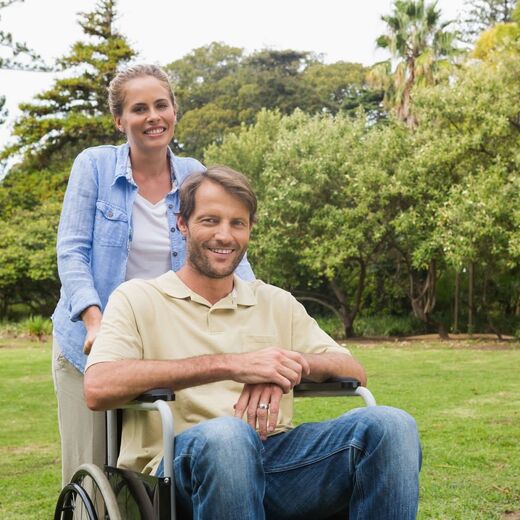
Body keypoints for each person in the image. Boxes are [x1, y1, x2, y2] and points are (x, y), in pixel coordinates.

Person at [84, 165, 422, 519]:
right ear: (181, 223)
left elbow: (353, 371)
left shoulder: (276, 302)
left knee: (393, 426)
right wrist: (233, 364)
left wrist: (284, 363)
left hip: (276, 459)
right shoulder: (137, 298)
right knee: (229, 438)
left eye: (237, 223)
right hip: (176, 468)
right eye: (210, 221)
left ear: (249, 230)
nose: (225, 236)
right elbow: (98, 387)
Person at [51, 65, 254, 485]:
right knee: (92, 476)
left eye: (161, 105)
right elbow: (72, 251)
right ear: (119, 120)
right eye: (138, 109)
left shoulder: (194, 174)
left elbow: (227, 253)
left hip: (165, 346)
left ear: (175, 111)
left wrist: (261, 315)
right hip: (89, 346)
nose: (152, 117)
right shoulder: (95, 167)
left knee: (159, 472)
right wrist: (94, 321)